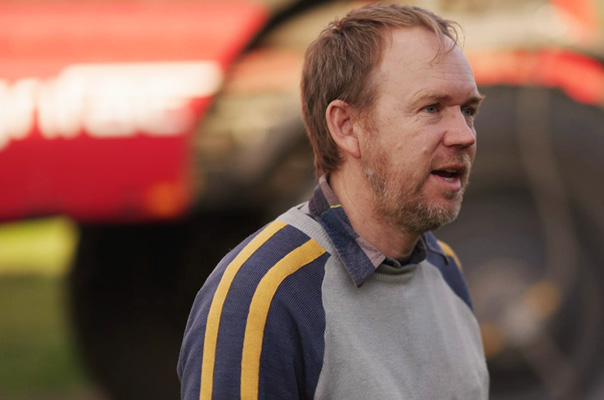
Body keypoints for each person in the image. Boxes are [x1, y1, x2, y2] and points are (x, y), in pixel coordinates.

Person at [178, 3, 488, 399]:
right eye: (431, 108)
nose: (464, 135)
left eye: (468, 110)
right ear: (346, 127)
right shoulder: (264, 296)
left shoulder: (446, 273)